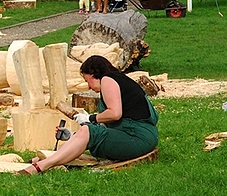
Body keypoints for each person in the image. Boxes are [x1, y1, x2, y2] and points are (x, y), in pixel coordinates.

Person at [15, 55, 159, 175]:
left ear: (93, 74)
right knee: (86, 131)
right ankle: (42, 159)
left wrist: (89, 118)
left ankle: (42, 166)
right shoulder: (118, 80)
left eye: (87, 80)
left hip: (137, 137)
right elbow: (104, 128)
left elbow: (115, 113)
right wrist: (73, 135)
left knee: (88, 129)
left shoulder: (107, 79)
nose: (89, 87)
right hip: (141, 136)